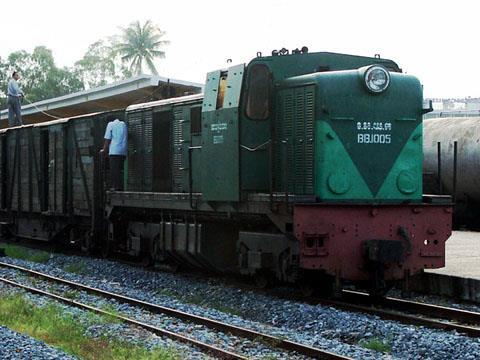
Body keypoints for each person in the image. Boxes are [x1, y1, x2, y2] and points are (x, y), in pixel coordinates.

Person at [100, 115, 127, 191]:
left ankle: (116, 187)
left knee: (114, 170)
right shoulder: (123, 124)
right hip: (123, 151)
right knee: (121, 169)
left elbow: (108, 138)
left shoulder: (110, 124)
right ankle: (122, 186)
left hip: (114, 151)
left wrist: (104, 150)